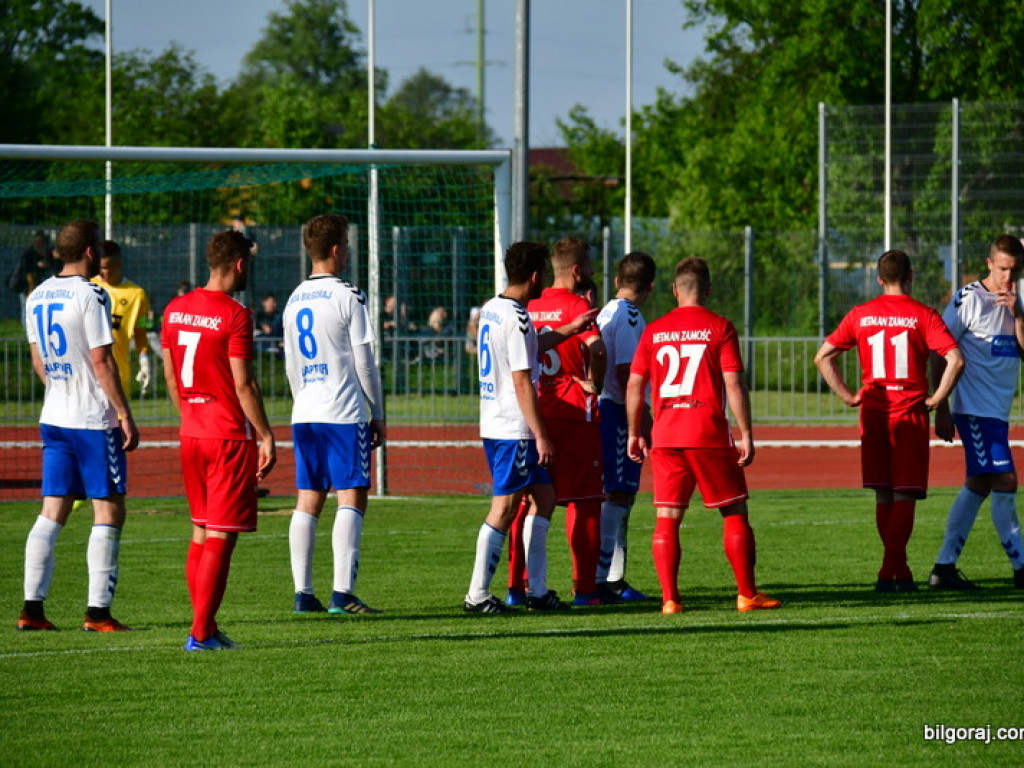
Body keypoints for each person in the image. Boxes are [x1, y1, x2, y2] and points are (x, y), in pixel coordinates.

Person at [626, 257, 780, 614]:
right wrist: (747, 434)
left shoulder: (655, 330)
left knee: (667, 517)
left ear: (674, 289)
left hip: (665, 435)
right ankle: (746, 594)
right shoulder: (720, 327)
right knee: (735, 512)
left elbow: (635, 385)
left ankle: (670, 600)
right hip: (708, 433)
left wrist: (636, 432)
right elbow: (734, 385)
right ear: (708, 289)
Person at [814, 250, 963, 591]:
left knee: (884, 494)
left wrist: (848, 396)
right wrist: (939, 400)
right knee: (905, 495)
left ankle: (898, 570)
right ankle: (890, 569)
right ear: (910, 276)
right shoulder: (923, 314)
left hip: (874, 414)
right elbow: (954, 359)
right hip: (909, 413)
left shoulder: (860, 315)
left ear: (879, 279)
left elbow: (822, 356)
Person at [18, 219, 139, 632]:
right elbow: (103, 362)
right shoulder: (92, 295)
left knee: (52, 510)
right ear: (91, 254)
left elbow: (38, 359)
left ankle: (32, 610)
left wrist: (61, 390)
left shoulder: (36, 296)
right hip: (91, 419)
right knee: (108, 510)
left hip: (54, 416)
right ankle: (98, 613)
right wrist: (123, 412)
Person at [464, 240, 596, 613]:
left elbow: (531, 345)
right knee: (504, 508)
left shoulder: (493, 309)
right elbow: (523, 380)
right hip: (513, 427)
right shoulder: (518, 317)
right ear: (536, 276)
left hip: (497, 420)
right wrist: (541, 436)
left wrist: (570, 328)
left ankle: (537, 591)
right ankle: (476, 595)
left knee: (546, 498)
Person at [161, 229, 277, 651]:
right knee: (221, 536)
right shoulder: (236, 314)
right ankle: (202, 632)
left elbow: (171, 376)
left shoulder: (175, 309)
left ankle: (203, 627)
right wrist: (266, 435)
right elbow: (244, 385)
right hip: (226, 435)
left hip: (191, 431)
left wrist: (190, 416)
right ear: (240, 264)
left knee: (199, 530)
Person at [283, 214, 386, 615]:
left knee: (308, 498)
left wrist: (302, 399)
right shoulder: (349, 295)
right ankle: (343, 594)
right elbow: (364, 361)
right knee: (352, 495)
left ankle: (303, 594)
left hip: (304, 409)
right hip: (343, 410)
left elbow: (292, 363)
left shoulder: (294, 298)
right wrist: (376, 412)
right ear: (338, 248)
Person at [505, 237, 608, 607]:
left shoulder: (528, 304)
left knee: (524, 502)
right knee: (584, 501)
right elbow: (597, 348)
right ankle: (586, 590)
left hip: (531, 413)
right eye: (591, 267)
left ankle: (517, 587)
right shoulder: (578, 304)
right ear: (577, 270)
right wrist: (595, 383)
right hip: (572, 411)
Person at [928, 234, 1024, 590]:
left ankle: (944, 568)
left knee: (979, 484)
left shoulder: (1020, 301)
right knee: (1006, 480)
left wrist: (1017, 314)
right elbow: (940, 351)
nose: (1008, 279)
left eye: (1015, 271)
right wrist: (941, 406)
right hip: (974, 411)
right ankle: (1021, 565)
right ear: (989, 264)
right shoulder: (969, 298)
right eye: (1002, 269)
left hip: (997, 413)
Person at [595, 252, 658, 603]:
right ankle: (605, 579)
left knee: (618, 494)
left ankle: (610, 577)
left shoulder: (606, 310)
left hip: (607, 408)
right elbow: (626, 372)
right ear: (650, 286)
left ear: (618, 280)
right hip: (618, 410)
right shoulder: (630, 315)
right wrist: (643, 418)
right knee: (618, 494)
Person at [91, 240, 154, 397]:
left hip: (118, 372)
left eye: (106, 268)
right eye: (99, 268)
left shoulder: (137, 294)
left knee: (118, 420)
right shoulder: (89, 286)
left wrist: (144, 361)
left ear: (119, 264)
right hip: (89, 372)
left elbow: (141, 331)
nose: (102, 273)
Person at [13, 230, 57, 323]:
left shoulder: (48, 253)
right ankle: (28, 331)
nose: (40, 245)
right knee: (26, 307)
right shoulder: (29, 253)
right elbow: (27, 271)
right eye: (38, 242)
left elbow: (54, 267)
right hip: (26, 284)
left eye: (42, 243)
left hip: (41, 285)